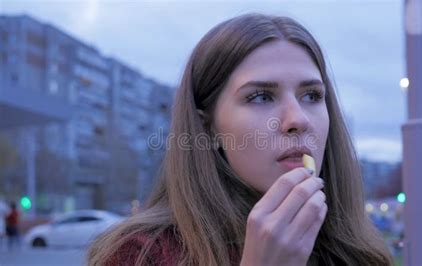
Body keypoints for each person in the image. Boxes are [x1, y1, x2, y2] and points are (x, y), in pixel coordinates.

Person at [87, 13, 393, 266]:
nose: (297, 119)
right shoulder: (140, 254)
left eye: (312, 95)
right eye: (261, 96)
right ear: (208, 127)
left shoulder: (359, 254)